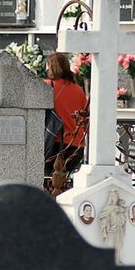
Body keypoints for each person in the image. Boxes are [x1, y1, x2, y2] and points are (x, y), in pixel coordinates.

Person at [45, 52, 89, 188]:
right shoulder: (78, 90)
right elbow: (85, 117)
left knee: (48, 181)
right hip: (76, 145)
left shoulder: (46, 86)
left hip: (54, 142)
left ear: (51, 67)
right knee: (65, 183)